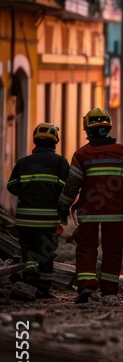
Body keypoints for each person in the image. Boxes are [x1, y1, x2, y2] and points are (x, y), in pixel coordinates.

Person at [57, 108, 123, 305]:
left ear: (87, 130)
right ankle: (109, 294)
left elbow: (72, 186)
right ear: (107, 128)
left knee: (86, 248)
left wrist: (63, 207)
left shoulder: (81, 155)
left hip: (88, 213)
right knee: (113, 251)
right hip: (116, 214)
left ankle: (86, 285)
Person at [7, 123, 69, 299]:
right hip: (48, 220)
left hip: (25, 219)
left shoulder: (23, 162)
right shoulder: (60, 162)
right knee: (46, 253)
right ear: (55, 141)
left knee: (28, 250)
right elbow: (68, 189)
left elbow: (12, 186)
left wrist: (28, 192)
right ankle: (43, 288)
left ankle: (29, 280)